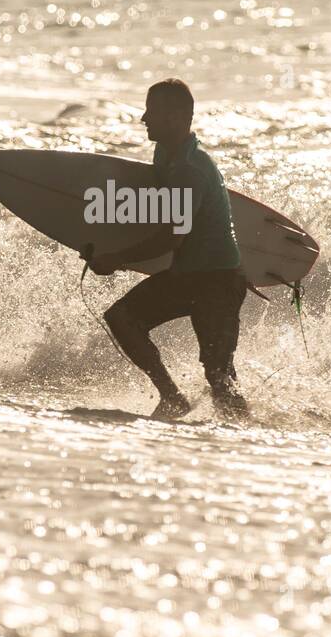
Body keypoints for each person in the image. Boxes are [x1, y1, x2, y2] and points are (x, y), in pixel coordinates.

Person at [88, 79, 249, 418]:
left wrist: (116, 259)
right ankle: (173, 397)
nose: (143, 118)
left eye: (152, 111)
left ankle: (249, 438)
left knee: (219, 376)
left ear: (177, 117)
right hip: (188, 275)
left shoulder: (190, 171)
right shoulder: (167, 154)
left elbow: (170, 238)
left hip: (217, 281)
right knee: (122, 318)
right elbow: (156, 212)